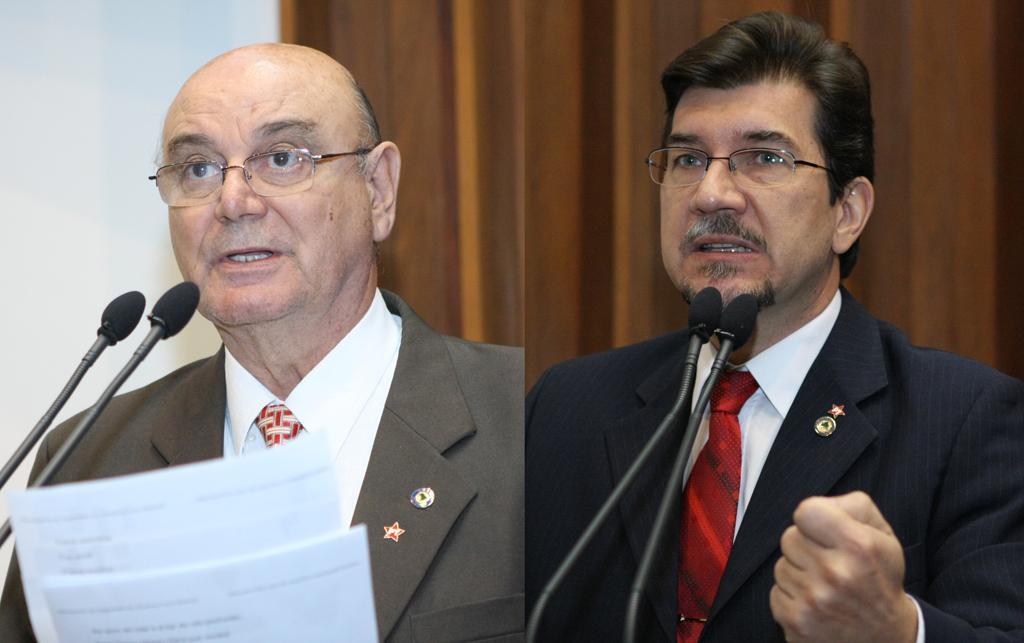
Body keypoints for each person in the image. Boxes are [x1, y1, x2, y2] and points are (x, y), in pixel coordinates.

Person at [526, 12, 1024, 643]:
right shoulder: (565, 409)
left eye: (763, 157)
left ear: (847, 213)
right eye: (687, 158)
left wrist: (899, 630)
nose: (711, 193)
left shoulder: (966, 421)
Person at [0, 43, 523, 642]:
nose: (233, 202)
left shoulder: (529, 415)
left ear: (377, 191)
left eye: (282, 157)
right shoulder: (87, 463)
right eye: (197, 168)